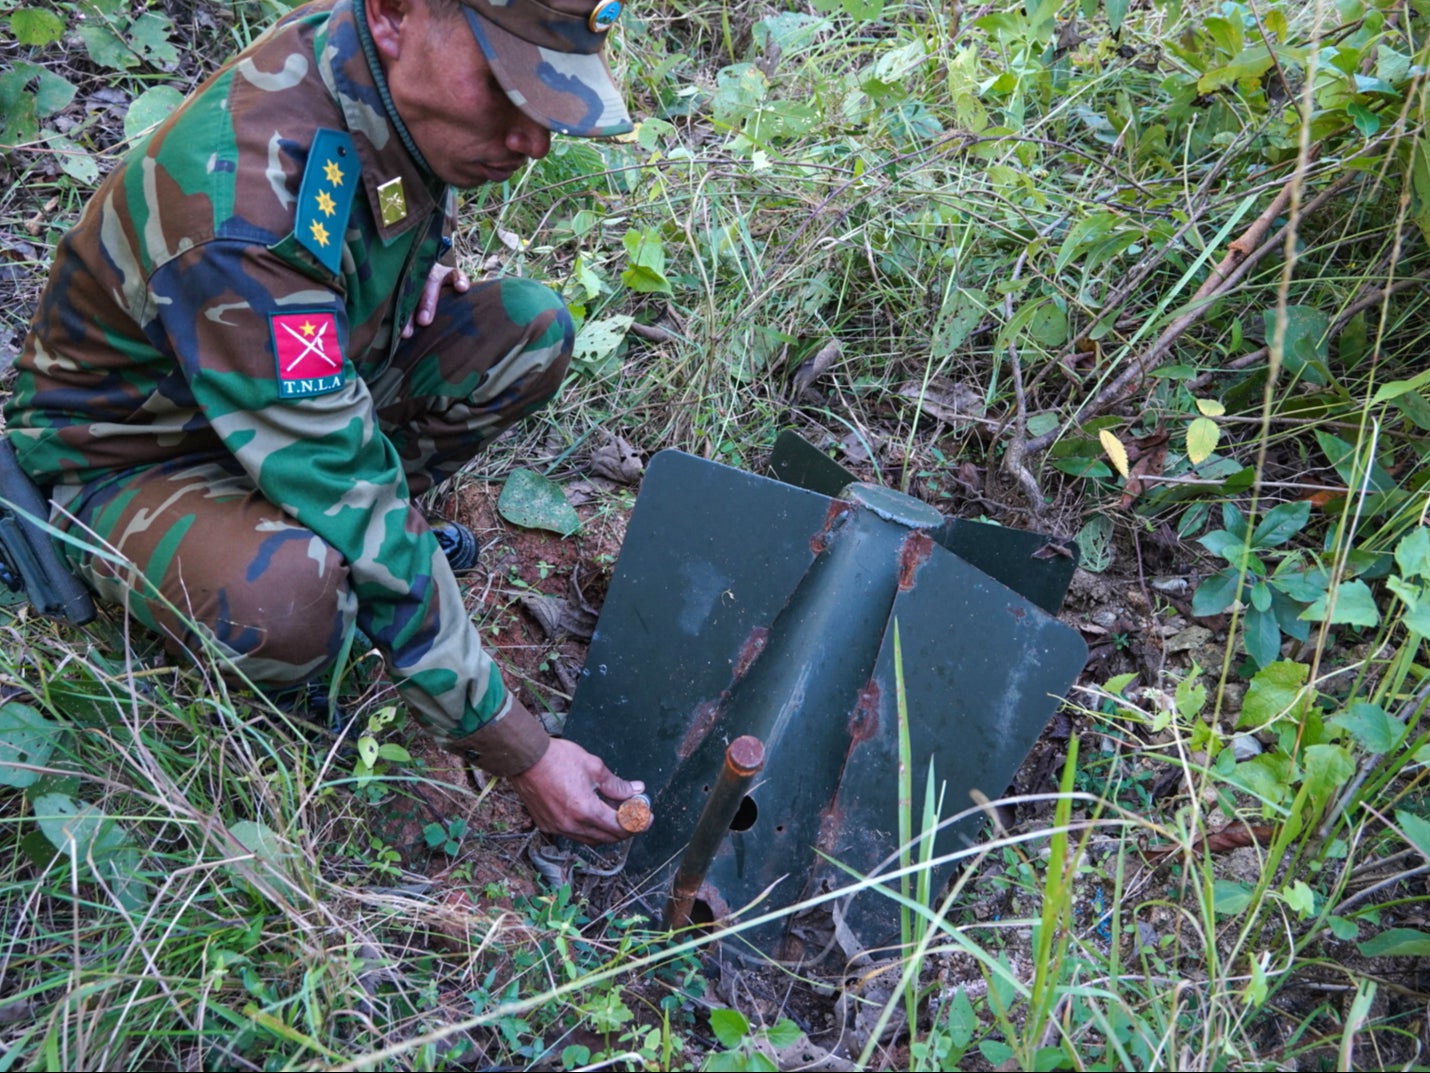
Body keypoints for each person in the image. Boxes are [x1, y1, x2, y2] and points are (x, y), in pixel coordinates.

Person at [2, 0, 643, 843]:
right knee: (295, 598)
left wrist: (424, 259)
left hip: (282, 385)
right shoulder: (244, 207)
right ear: (395, 14)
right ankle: (286, 564)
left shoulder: (371, 68)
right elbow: (354, 482)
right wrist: (522, 749)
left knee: (526, 330)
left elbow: (371, 200)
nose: (534, 142)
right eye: (503, 86)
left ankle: (345, 552)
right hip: (134, 454)